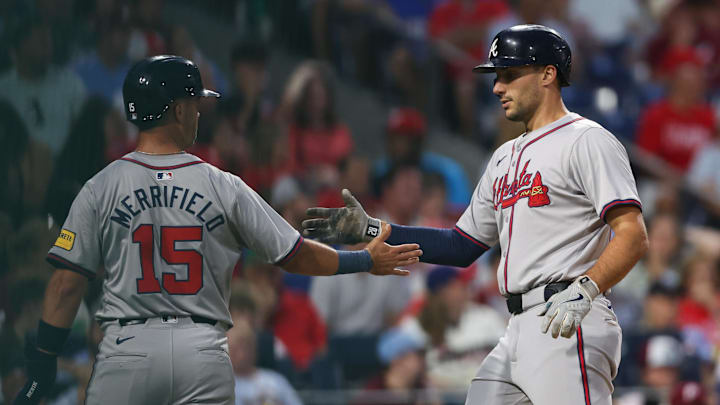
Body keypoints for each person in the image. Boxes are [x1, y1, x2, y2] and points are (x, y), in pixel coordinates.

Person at [12, 55, 422, 405]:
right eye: (193, 103)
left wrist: (43, 361)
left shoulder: (100, 187)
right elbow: (296, 253)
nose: (198, 111)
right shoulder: (222, 184)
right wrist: (364, 259)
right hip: (201, 355)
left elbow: (66, 285)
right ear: (175, 110)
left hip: (127, 353)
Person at [303, 25, 649, 405]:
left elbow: (632, 233)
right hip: (517, 325)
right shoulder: (503, 157)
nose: (498, 87)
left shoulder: (587, 140)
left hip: (567, 318)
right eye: (497, 76)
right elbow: (459, 245)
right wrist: (373, 228)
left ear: (549, 74)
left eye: (510, 74)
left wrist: (586, 289)